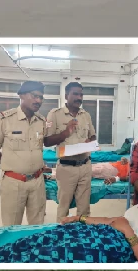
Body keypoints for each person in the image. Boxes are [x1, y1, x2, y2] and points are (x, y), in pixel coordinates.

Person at [0, 187, 138, 264]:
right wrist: (80, 219)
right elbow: (114, 221)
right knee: (48, 236)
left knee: (55, 252)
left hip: (115, 248)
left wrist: (128, 233)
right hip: (100, 232)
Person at [0, 80, 53, 226]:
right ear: (21, 95)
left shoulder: (41, 121)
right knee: (11, 226)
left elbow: (37, 147)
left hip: (37, 182)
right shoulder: (3, 119)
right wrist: (12, 165)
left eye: (41, 97)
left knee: (37, 225)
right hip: (14, 183)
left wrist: (37, 165)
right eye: (35, 96)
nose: (38, 101)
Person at [45, 81, 97, 222]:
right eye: (75, 94)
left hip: (85, 166)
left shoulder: (85, 115)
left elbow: (93, 135)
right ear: (66, 95)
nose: (79, 97)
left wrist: (90, 142)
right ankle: (62, 238)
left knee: (84, 208)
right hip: (66, 167)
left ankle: (83, 237)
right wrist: (66, 132)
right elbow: (47, 141)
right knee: (64, 207)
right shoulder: (55, 114)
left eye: (81, 94)